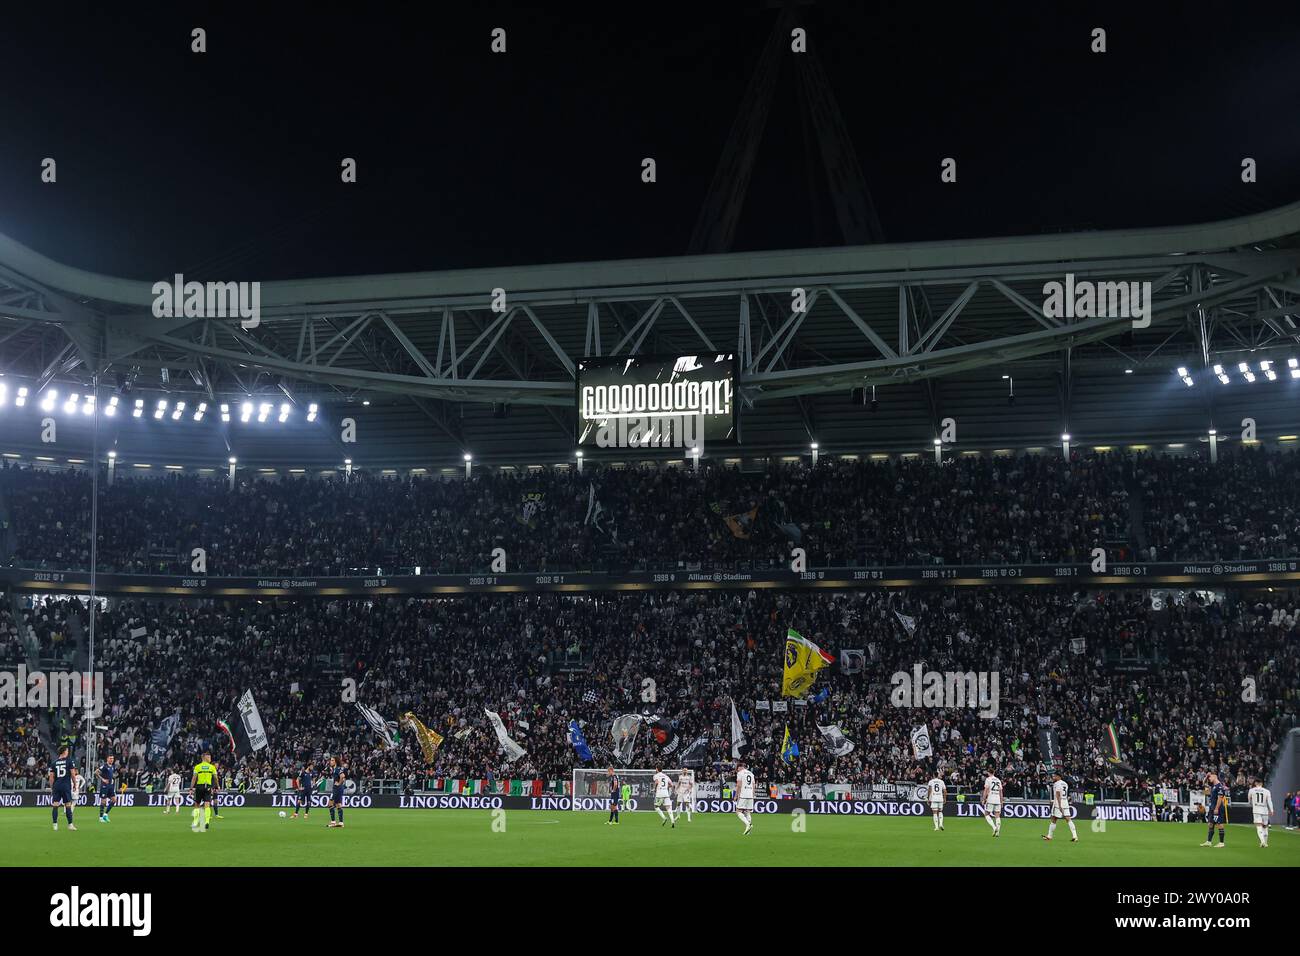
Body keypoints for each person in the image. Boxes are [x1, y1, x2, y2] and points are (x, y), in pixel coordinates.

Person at [1042, 772, 1078, 842]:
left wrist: (1059, 805)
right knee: (1068, 819)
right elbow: (1063, 794)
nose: (1053, 778)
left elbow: (1058, 795)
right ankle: (1075, 836)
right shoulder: (1065, 784)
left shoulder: (1057, 784)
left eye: (1054, 776)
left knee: (1053, 819)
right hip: (1065, 802)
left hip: (1058, 804)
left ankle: (1049, 836)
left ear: (1058, 777)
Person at [49, 746, 78, 832]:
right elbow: (73, 774)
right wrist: (75, 784)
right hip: (65, 786)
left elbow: (51, 777)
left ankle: (55, 825)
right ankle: (70, 825)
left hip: (57, 786)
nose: (68, 752)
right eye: (67, 750)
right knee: (68, 805)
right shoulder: (69, 761)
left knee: (55, 805)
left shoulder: (54, 763)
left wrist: (52, 788)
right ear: (64, 751)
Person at [190, 751, 218, 832]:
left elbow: (194, 778)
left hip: (199, 786)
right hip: (208, 787)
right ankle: (206, 821)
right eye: (209, 757)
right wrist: (217, 786)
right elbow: (216, 778)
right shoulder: (212, 767)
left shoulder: (197, 767)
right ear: (204, 757)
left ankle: (195, 822)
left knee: (196, 805)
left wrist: (191, 788)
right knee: (207, 805)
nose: (210, 759)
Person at [1200, 771, 1228, 847]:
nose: (1209, 779)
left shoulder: (1220, 787)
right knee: (1210, 824)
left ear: (1215, 776)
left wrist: (1216, 808)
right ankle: (1209, 841)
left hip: (1217, 808)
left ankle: (1221, 843)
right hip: (1212, 808)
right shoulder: (1213, 786)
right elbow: (1203, 783)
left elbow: (1220, 798)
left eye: (1210, 777)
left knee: (1219, 824)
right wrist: (1206, 776)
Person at [1247, 778, 1273, 848]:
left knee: (1259, 826)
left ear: (1255, 783)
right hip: (1265, 811)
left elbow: (1249, 800)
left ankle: (1262, 841)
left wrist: (1252, 804)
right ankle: (1266, 843)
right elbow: (1269, 801)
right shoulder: (1267, 791)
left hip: (1256, 810)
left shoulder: (1251, 790)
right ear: (1262, 783)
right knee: (1265, 826)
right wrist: (1272, 810)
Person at [735, 761, 755, 835]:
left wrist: (736, 795)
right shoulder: (751, 773)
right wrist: (753, 795)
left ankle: (748, 824)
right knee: (747, 812)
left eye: (737, 769)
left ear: (739, 767)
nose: (737, 770)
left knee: (738, 811)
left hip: (743, 794)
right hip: (750, 794)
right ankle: (748, 831)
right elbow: (753, 785)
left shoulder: (740, 773)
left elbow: (739, 785)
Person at [327, 757, 347, 828]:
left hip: (337, 788)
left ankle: (333, 823)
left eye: (332, 760)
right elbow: (342, 777)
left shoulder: (337, 769)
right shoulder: (335, 769)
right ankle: (341, 823)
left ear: (335, 762)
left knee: (330, 804)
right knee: (338, 804)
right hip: (339, 788)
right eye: (331, 760)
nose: (330, 761)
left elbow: (343, 776)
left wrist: (339, 783)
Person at [982, 770, 1003, 837]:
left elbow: (986, 790)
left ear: (988, 773)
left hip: (991, 799)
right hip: (997, 799)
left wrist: (984, 799)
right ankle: (998, 832)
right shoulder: (998, 780)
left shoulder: (988, 779)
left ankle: (994, 828)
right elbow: (1001, 792)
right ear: (994, 773)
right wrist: (1001, 801)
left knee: (986, 814)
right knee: (997, 815)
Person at [97, 754, 116, 823]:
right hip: (104, 786)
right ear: (107, 759)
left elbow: (110, 774)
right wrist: (103, 779)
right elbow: (96, 772)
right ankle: (101, 817)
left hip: (111, 786)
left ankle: (105, 814)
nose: (112, 760)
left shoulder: (113, 766)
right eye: (110, 758)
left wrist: (112, 778)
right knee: (103, 801)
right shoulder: (104, 766)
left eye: (113, 758)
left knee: (114, 800)